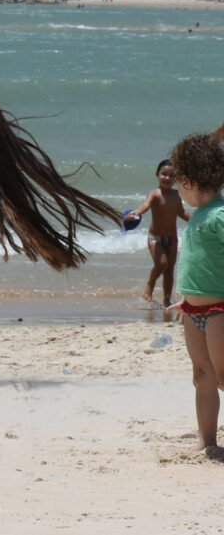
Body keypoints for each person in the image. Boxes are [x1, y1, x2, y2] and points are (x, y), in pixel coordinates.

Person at [165, 131, 224, 461]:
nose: (178, 191)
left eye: (179, 183)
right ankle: (207, 440)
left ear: (189, 181)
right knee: (202, 375)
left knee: (223, 374)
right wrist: (184, 298)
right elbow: (196, 263)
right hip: (193, 308)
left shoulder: (218, 214)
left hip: (220, 308)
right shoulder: (199, 215)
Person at [127, 159, 191, 308]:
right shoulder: (155, 194)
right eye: (164, 174)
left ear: (176, 179)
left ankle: (167, 300)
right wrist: (134, 213)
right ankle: (150, 284)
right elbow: (145, 206)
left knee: (169, 270)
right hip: (155, 238)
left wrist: (197, 220)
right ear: (157, 175)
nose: (167, 178)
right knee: (162, 263)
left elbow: (181, 213)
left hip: (172, 239)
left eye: (171, 176)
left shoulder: (177, 195)